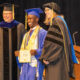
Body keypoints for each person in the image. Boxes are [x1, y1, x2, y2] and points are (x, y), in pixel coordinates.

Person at [39, 2, 79, 80]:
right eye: (45, 10)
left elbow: (54, 44)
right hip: (59, 59)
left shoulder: (56, 22)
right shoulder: (60, 21)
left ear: (54, 11)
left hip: (55, 62)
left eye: (47, 10)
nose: (45, 12)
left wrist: (46, 57)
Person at [15, 8, 47, 80]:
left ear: (37, 19)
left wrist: (36, 52)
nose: (28, 21)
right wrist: (19, 54)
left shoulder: (43, 33)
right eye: (28, 19)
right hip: (25, 67)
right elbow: (24, 50)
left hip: (35, 66)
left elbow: (46, 50)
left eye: (31, 19)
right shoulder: (26, 35)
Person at [0, 3, 25, 80]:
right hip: (1, 61)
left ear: (13, 14)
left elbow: (24, 43)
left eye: (8, 14)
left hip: (16, 60)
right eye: (4, 14)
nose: (5, 16)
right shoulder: (0, 26)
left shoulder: (20, 26)